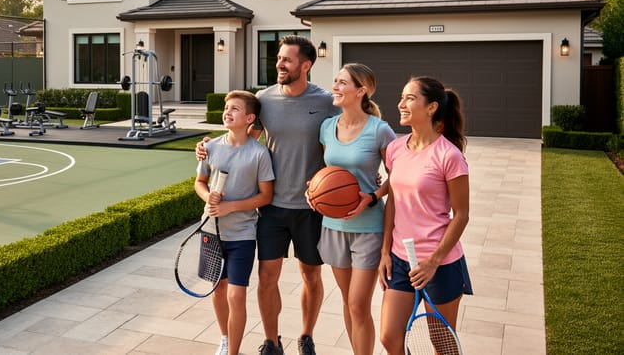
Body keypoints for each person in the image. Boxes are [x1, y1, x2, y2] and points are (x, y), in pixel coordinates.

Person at [198, 35, 339, 355]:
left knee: (311, 275)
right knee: (266, 277)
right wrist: (208, 149)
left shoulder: (326, 101)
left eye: (287, 60)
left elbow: (346, 137)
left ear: (306, 65)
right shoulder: (265, 99)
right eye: (278, 58)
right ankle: (272, 341)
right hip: (272, 206)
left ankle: (306, 335)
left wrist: (365, 171)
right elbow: (242, 140)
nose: (279, 64)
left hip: (311, 207)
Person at [378, 76, 473, 355]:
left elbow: (462, 214)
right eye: (402, 97)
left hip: (440, 264)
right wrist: (385, 251)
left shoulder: (449, 155)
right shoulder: (396, 148)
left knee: (442, 345)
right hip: (399, 259)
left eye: (409, 98)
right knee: (389, 338)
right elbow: (393, 201)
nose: (401, 104)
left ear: (431, 108)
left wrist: (433, 262)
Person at [309, 63, 395, 355]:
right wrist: (314, 191)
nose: (335, 86)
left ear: (361, 90)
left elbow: (397, 175)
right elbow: (328, 174)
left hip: (368, 228)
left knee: (359, 304)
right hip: (333, 227)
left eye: (342, 82)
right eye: (335, 81)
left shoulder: (380, 130)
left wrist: (371, 196)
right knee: (348, 302)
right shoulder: (326, 127)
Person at [196, 90, 275, 355]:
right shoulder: (211, 147)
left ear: (250, 118)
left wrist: (231, 206)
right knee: (218, 290)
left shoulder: (259, 154)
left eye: (235, 109)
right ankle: (225, 338)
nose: (227, 112)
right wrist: (209, 198)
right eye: (226, 107)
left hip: (242, 234)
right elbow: (199, 182)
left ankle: (233, 352)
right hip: (211, 231)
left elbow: (266, 195)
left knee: (236, 294)